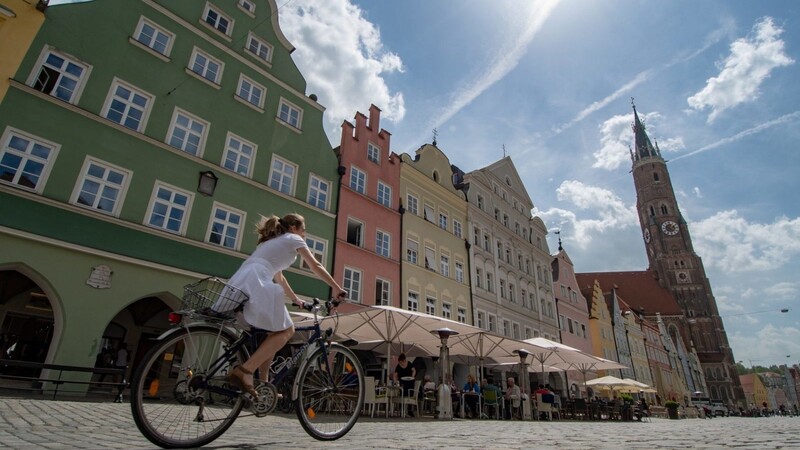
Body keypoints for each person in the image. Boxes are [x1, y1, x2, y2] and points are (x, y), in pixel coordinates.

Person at [227, 214, 347, 399]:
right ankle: (246, 370)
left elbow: (279, 277)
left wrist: (296, 299)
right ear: (293, 227)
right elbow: (315, 265)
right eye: (303, 228)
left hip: (244, 278)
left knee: (273, 333)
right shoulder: (293, 239)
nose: (304, 233)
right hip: (257, 281)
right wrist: (337, 288)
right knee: (287, 331)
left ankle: (263, 384)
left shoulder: (271, 243)